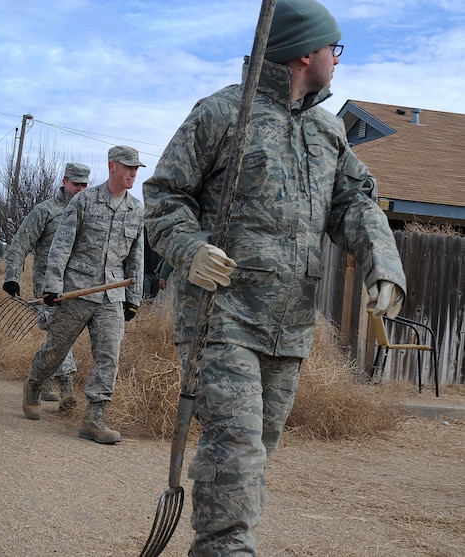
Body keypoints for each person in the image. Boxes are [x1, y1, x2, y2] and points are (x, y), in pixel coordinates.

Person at [142, 1, 406, 554]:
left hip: (288, 328)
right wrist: (189, 249)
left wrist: (383, 263)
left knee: (254, 454)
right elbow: (164, 196)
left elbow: (355, 202)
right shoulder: (221, 115)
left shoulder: (328, 131)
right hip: (223, 318)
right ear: (305, 53)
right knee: (233, 456)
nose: (338, 59)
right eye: (335, 48)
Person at [21, 146, 145, 444]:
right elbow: (61, 245)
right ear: (112, 166)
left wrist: (134, 298)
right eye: (128, 167)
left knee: (108, 356)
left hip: (111, 295)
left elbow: (135, 256)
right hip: (76, 291)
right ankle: (34, 385)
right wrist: (53, 286)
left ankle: (94, 418)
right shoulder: (85, 201)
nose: (133, 174)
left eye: (136, 169)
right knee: (56, 350)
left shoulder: (136, 209)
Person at [3, 162, 90, 409]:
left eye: (85, 184)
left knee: (60, 337)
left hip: (77, 287)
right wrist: (11, 277)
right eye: (76, 184)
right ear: (65, 182)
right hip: (48, 288)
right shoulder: (46, 211)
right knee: (59, 333)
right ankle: (67, 390)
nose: (81, 189)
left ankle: (42, 381)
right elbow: (20, 243)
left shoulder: (89, 214)